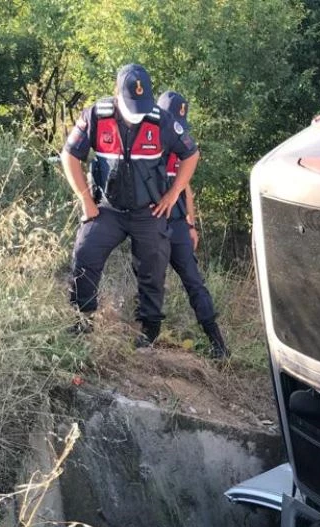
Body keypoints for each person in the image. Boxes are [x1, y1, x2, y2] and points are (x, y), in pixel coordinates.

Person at [61, 64, 200, 348]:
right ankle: (82, 322)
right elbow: (69, 155)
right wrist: (86, 200)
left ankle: (149, 332)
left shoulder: (161, 121)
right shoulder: (95, 116)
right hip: (107, 209)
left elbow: (191, 153)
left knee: (153, 270)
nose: (136, 114)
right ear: (116, 93)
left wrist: (173, 194)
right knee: (85, 254)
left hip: (148, 211)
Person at [156, 90, 229, 360]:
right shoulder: (145, 142)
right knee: (151, 283)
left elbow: (187, 190)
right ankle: (147, 339)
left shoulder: (181, 148)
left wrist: (191, 225)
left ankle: (218, 345)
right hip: (151, 226)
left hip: (176, 226)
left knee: (194, 283)